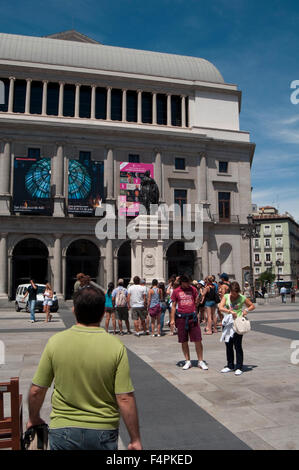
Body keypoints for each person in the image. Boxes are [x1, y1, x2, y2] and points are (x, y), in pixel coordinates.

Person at [27, 286, 142, 450]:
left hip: (63, 429)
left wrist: (33, 417)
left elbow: (36, 390)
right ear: (103, 312)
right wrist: (135, 438)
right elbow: (124, 398)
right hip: (103, 430)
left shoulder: (56, 342)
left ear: (74, 311)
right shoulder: (116, 347)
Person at [170, 275, 208, 371]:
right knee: (183, 340)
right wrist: (172, 319)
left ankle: (200, 361)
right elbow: (173, 306)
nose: (188, 285)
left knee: (198, 339)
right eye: (186, 283)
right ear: (181, 282)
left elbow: (196, 303)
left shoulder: (193, 289)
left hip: (192, 317)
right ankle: (187, 361)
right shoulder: (176, 291)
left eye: (189, 283)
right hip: (181, 317)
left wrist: (200, 298)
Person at [218, 281, 255, 376]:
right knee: (228, 344)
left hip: (237, 324)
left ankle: (239, 366)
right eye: (232, 293)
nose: (234, 296)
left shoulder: (242, 297)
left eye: (236, 294)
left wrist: (246, 310)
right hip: (228, 323)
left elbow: (252, 306)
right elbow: (220, 307)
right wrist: (229, 311)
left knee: (238, 345)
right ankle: (230, 365)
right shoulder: (226, 296)